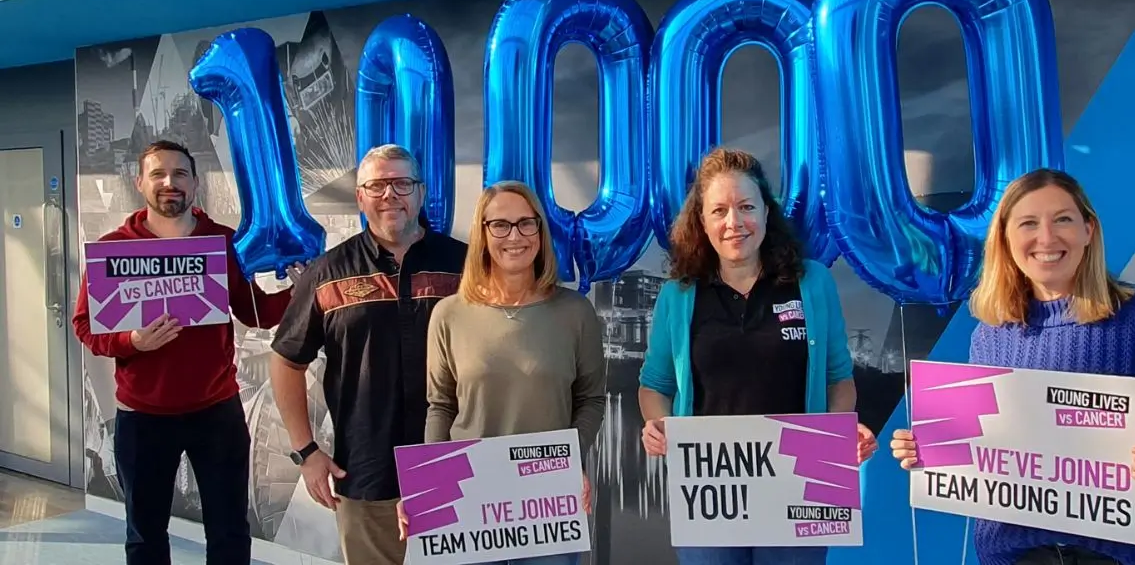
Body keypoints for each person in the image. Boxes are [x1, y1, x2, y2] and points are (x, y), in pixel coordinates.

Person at [888, 169, 1135, 565]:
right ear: (1006, 239)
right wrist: (932, 449)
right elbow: (986, 454)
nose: (1046, 238)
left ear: (1089, 230)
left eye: (1062, 219)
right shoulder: (991, 335)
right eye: (1028, 223)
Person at [636, 148, 878, 565]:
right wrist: (657, 424)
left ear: (766, 212)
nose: (734, 223)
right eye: (719, 211)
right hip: (710, 489)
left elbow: (839, 377)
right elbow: (654, 385)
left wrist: (837, 432)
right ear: (702, 222)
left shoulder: (812, 282)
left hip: (800, 484)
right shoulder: (678, 296)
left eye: (746, 207)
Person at [72, 140, 298, 565]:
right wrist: (131, 343)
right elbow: (84, 325)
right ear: (140, 183)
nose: (169, 183)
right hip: (142, 417)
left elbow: (259, 315)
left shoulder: (223, 244)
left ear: (195, 184)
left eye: (179, 174)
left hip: (217, 413)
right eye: (157, 174)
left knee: (230, 531)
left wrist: (297, 292)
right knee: (145, 534)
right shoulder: (114, 249)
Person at [269, 144, 468, 565]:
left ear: (421, 192)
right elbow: (287, 359)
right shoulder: (327, 272)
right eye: (376, 185)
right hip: (366, 468)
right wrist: (306, 452)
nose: (389, 195)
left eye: (401, 183)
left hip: (456, 460)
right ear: (360, 197)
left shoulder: (465, 266)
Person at [398, 180, 605, 565]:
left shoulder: (575, 312)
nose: (515, 236)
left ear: (541, 233)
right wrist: (427, 489)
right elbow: (440, 406)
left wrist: (569, 465)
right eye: (500, 225)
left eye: (527, 224)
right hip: (468, 502)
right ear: (482, 233)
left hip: (546, 504)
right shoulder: (449, 314)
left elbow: (591, 399)